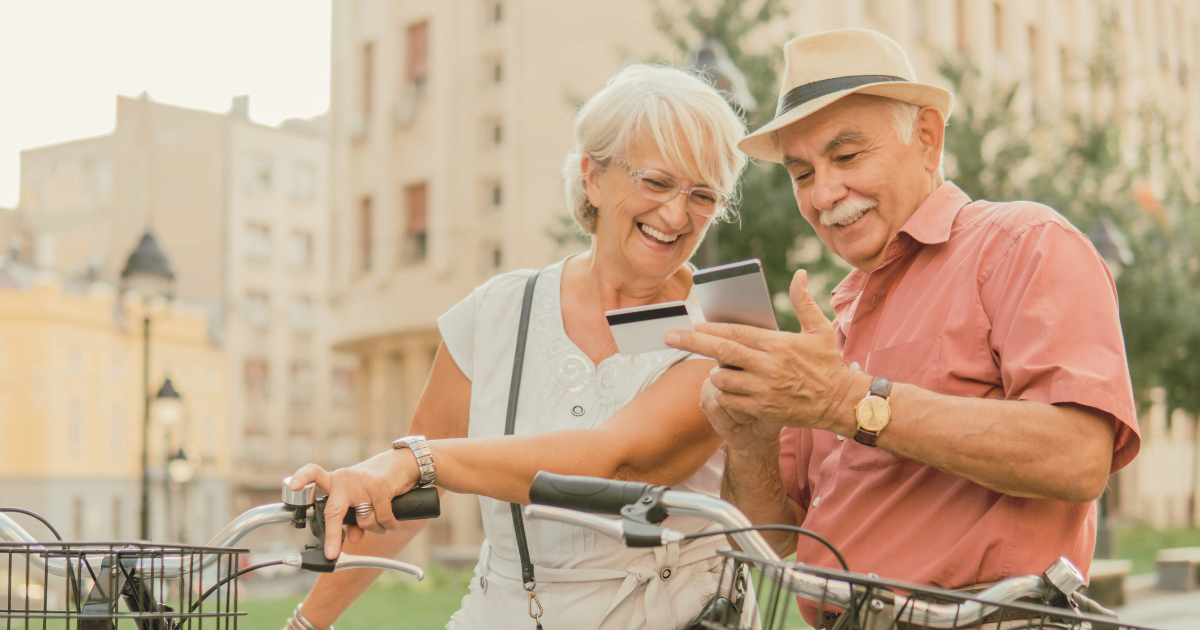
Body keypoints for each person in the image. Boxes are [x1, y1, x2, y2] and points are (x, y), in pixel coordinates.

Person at [666, 29, 1141, 627]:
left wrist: (850, 402)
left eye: (845, 156)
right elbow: (777, 530)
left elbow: (1078, 458)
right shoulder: (838, 320)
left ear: (926, 138)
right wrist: (749, 438)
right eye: (801, 173)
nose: (823, 193)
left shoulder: (1025, 243)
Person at [285, 63, 751, 630]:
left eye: (702, 195)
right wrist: (306, 624)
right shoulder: (497, 310)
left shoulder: (731, 316)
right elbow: (407, 506)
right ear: (593, 177)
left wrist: (413, 460)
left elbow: (618, 463)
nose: (677, 215)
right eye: (655, 182)